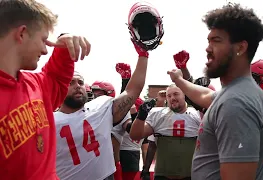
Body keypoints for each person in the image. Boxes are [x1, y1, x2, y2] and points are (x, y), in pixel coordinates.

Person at [167, 3, 263, 180]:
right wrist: (178, 79)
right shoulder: (235, 92)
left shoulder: (236, 102)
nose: (208, 48)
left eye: (216, 41)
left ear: (240, 48)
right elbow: (205, 95)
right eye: (208, 41)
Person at [0, 0, 90, 179]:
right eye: (43, 40)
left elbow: (56, 78)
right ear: (22, 33)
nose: (45, 50)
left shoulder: (35, 85)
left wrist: (66, 47)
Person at [54, 38, 150, 180]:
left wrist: (143, 55)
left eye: (80, 82)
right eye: (71, 82)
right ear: (60, 87)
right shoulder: (47, 120)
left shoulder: (100, 107)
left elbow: (132, 91)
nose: (78, 85)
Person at [130, 84, 202, 180]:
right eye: (169, 96)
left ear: (184, 95)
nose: (172, 98)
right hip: (163, 175)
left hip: (191, 175)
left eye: (176, 94)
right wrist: (141, 115)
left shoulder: (197, 115)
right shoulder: (158, 115)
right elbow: (135, 135)